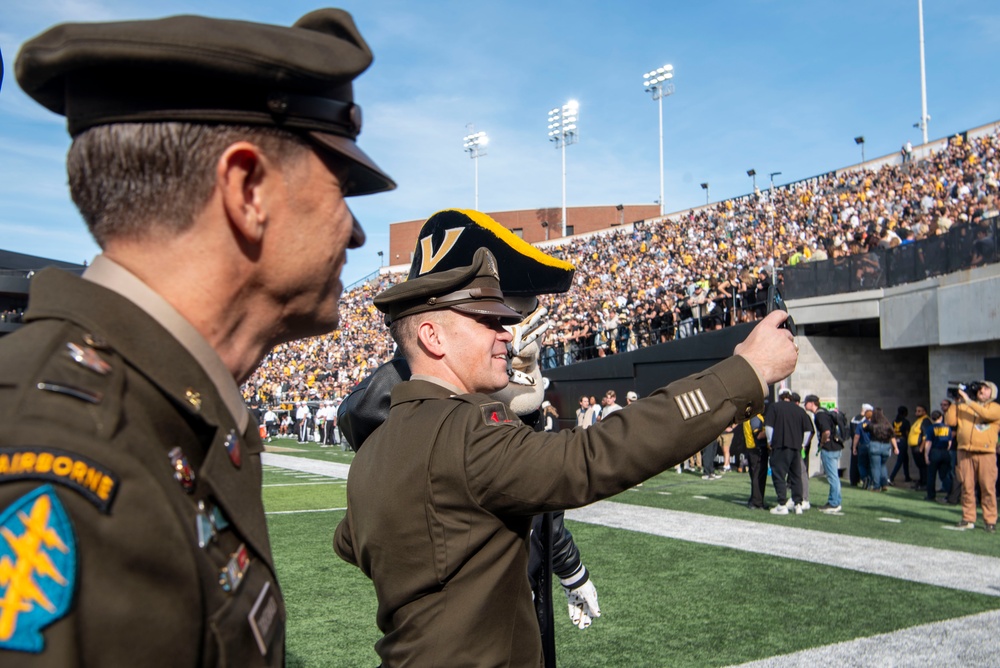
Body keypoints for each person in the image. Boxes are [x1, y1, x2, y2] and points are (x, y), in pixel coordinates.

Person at [0, 9, 394, 665]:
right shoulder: (63, 450)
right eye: (341, 186)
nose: (356, 231)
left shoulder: (159, 407)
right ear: (247, 191)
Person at [334, 248, 797, 666]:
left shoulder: (375, 449)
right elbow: (594, 455)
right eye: (487, 322)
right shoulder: (465, 431)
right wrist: (744, 375)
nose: (506, 335)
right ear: (433, 337)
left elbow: (349, 542)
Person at [334, 209, 598, 665]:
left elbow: (537, 499)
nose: (509, 334)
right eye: (495, 316)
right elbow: (368, 410)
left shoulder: (501, 404)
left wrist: (571, 569)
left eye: (512, 316)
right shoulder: (432, 411)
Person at [946, 381, 1000, 532]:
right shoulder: (964, 405)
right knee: (967, 486)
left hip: (986, 453)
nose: (981, 390)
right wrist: (956, 402)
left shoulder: (995, 408)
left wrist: (968, 401)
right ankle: (968, 518)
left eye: (986, 388)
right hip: (964, 451)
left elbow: (985, 415)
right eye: (980, 388)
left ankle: (990, 520)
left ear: (992, 393)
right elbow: (949, 421)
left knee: (987, 487)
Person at [767, 389, 813, 515]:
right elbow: (808, 431)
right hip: (796, 448)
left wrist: (770, 441)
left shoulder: (775, 407)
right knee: (796, 476)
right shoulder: (799, 410)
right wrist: (803, 444)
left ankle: (782, 504)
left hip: (780, 446)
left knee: (779, 475)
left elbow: (769, 427)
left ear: (779, 397)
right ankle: (798, 504)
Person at [806, 395, 843, 513]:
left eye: (806, 403)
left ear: (812, 403)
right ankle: (835, 500)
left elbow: (826, 431)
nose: (805, 405)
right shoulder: (825, 412)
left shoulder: (820, 415)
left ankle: (834, 503)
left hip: (829, 448)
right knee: (834, 476)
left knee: (832, 477)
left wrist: (822, 443)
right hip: (835, 446)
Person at [923, 410, 954, 503]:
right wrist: (946, 450)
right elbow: (950, 442)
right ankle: (951, 494)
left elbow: (928, 442)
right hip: (945, 452)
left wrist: (926, 455)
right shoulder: (947, 428)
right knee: (944, 475)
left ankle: (931, 495)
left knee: (931, 475)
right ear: (941, 417)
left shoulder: (930, 428)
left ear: (932, 418)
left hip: (934, 451)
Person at [865, 408, 899, 492]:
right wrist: (896, 447)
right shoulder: (888, 425)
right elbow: (892, 436)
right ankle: (884, 484)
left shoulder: (872, 425)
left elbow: (865, 429)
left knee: (875, 467)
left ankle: (876, 486)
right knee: (883, 465)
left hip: (875, 445)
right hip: (886, 446)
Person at [852, 403, 874, 488]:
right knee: (871, 464)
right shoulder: (874, 425)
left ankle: (864, 478)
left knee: (861, 464)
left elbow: (857, 436)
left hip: (862, 445)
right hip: (872, 446)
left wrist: (854, 447)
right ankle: (870, 480)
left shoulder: (860, 425)